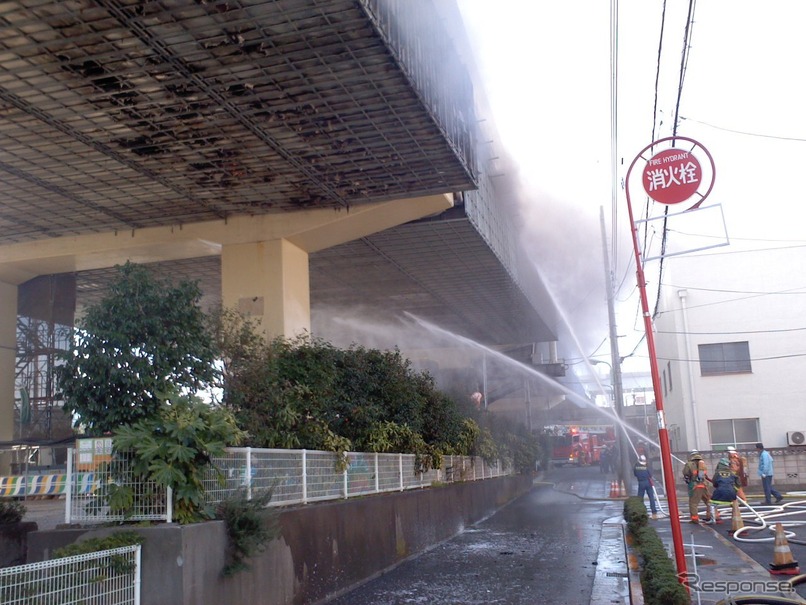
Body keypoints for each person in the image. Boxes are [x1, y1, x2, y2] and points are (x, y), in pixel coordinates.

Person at [682, 450, 717, 524]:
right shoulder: (703, 464)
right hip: (704, 485)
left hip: (695, 486)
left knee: (693, 503)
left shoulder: (689, 464)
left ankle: (694, 519)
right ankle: (713, 516)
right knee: (709, 501)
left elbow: (685, 473)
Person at [633, 454, 658, 519]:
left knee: (640, 498)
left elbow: (635, 474)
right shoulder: (647, 466)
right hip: (648, 482)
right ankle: (654, 512)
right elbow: (650, 474)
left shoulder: (636, 466)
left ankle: (641, 511)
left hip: (641, 483)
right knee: (651, 498)